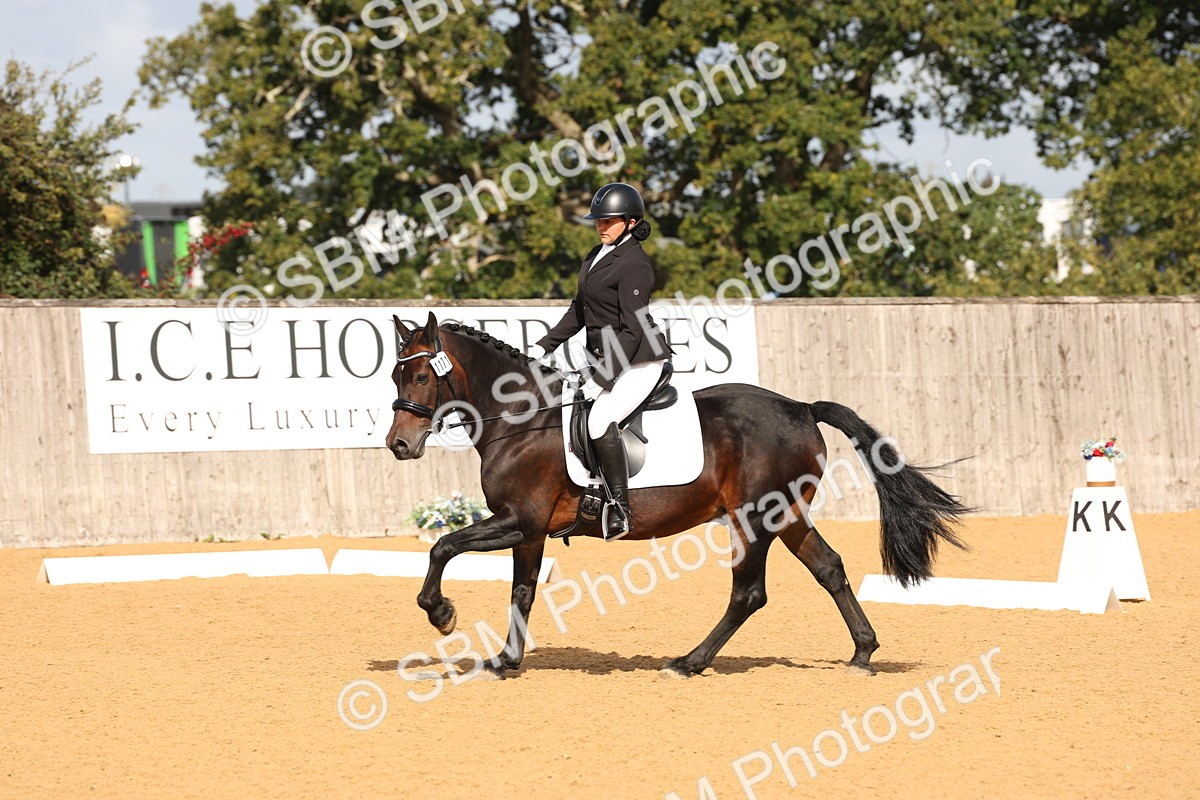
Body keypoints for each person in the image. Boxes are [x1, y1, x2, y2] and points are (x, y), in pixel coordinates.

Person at [528, 182, 672, 541]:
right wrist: (543, 346)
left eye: (609, 221)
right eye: (598, 221)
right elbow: (579, 310)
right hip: (606, 357)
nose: (601, 226)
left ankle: (620, 509)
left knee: (600, 419)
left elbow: (633, 329)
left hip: (639, 361)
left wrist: (603, 378)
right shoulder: (596, 255)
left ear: (631, 221)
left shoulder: (636, 264)